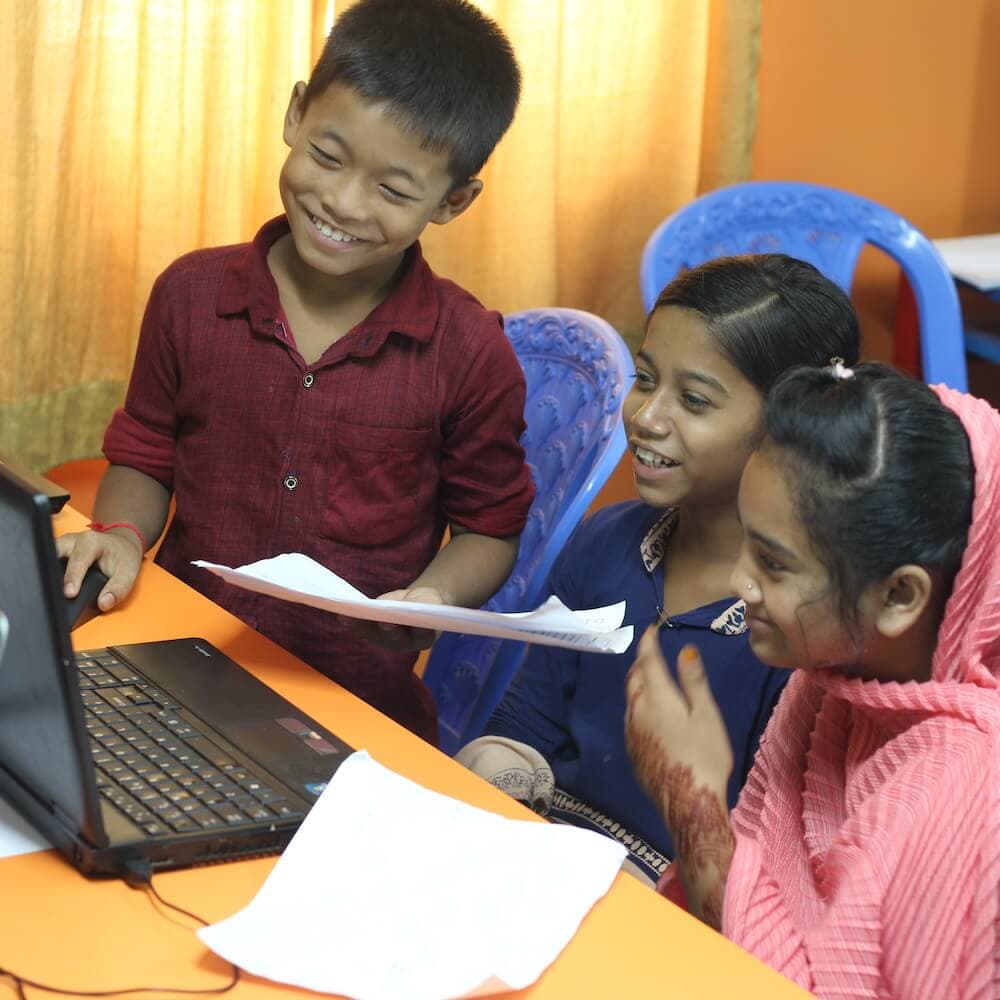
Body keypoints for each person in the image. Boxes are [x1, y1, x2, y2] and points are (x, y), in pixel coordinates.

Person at [56, 0, 535, 744]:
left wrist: (434, 595)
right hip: (173, 672)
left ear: (454, 201)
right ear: (296, 113)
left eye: (394, 190)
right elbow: (146, 452)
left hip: (350, 714)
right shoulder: (189, 295)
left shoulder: (470, 351)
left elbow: (491, 529)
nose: (341, 202)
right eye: (327, 155)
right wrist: (120, 534)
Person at [457, 254, 861, 882]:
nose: (645, 417)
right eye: (646, 379)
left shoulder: (797, 630)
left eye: (694, 400)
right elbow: (524, 728)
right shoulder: (607, 542)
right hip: (535, 863)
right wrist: (494, 784)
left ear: (789, 428)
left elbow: (770, 873)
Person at [625, 362, 1000, 997]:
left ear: (899, 596)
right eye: (746, 541)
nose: (739, 583)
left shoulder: (965, 790)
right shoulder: (828, 683)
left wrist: (693, 806)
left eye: (772, 562)